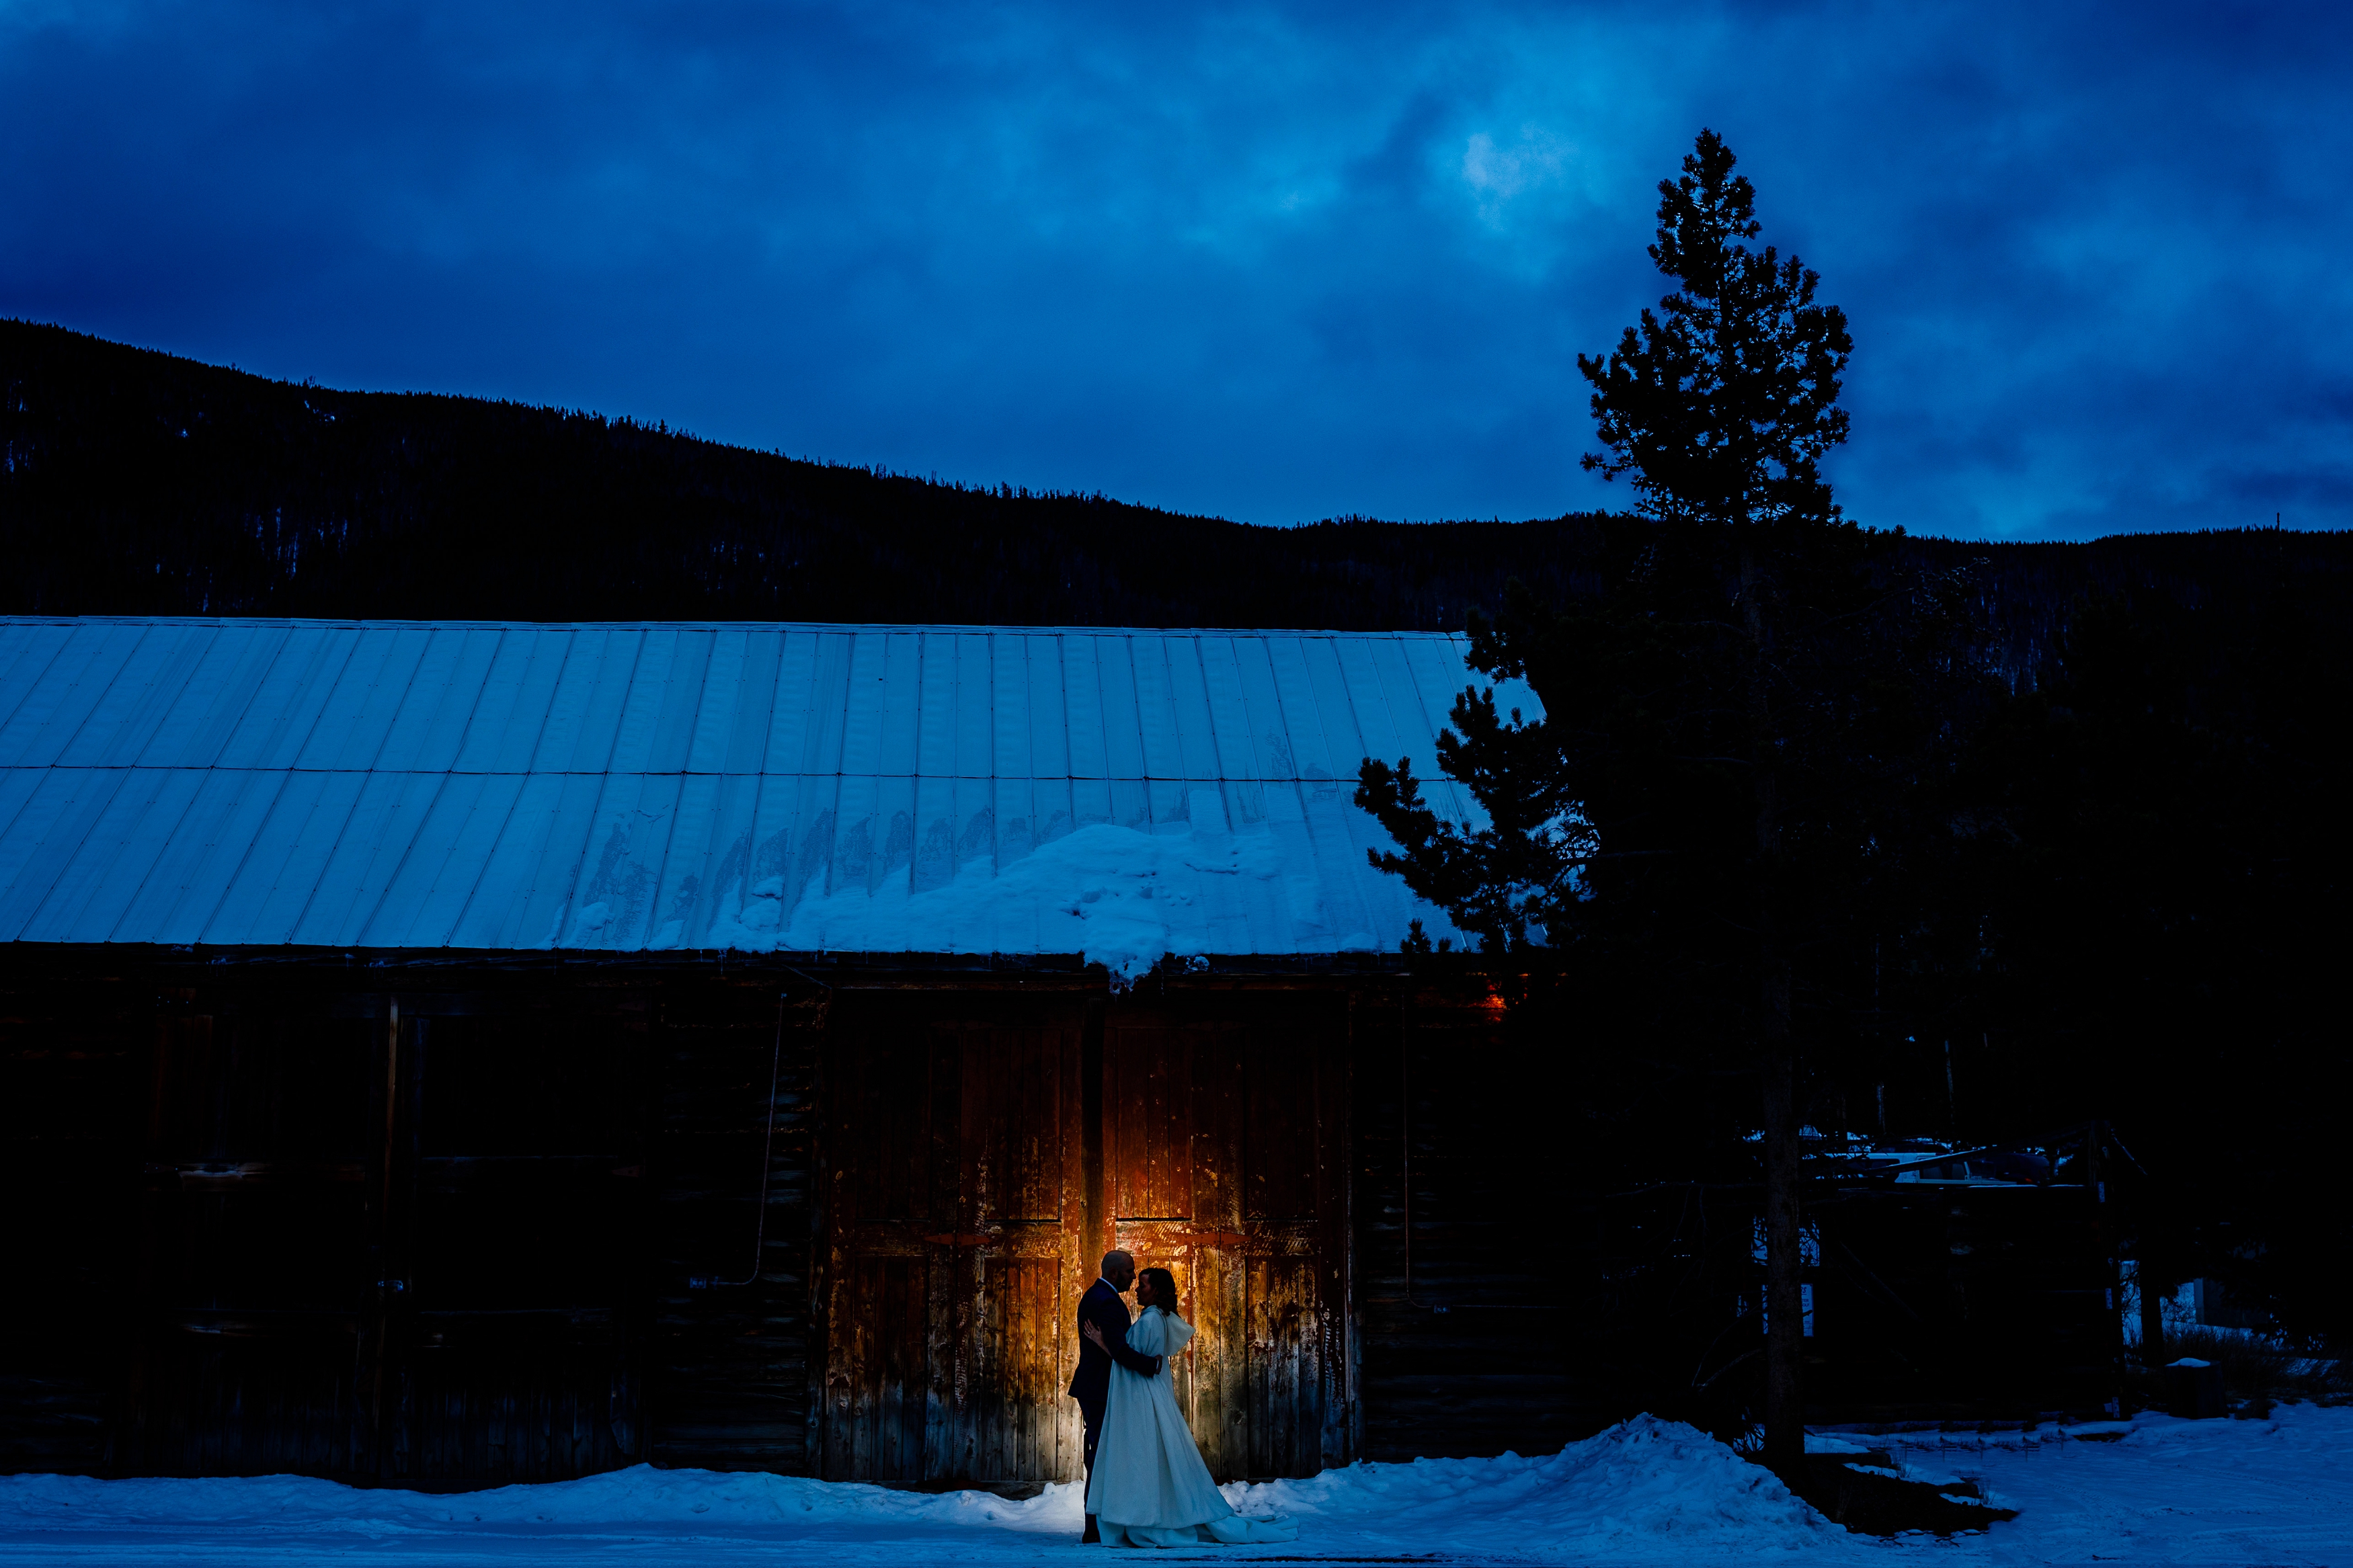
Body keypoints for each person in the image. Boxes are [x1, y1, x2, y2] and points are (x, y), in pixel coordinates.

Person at [1082, 1266, 1298, 1548]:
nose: (1137, 1288)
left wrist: (1102, 1343)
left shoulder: (1150, 1321)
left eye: (1144, 1285)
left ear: (1156, 1290)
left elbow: (1131, 1359)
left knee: (1145, 1453)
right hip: (1147, 1393)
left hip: (1142, 1396)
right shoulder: (1159, 1317)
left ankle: (1151, 1519)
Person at [1068, 1249, 1163, 1545]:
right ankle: (1096, 1528)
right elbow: (1119, 1350)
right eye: (1130, 1271)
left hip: (1097, 1388)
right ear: (1114, 1274)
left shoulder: (1096, 1296)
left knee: (1102, 1455)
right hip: (1101, 1390)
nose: (1134, 1277)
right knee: (1102, 1457)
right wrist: (1152, 1365)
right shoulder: (1107, 1303)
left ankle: (1101, 1524)